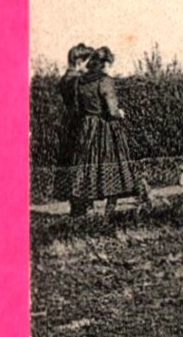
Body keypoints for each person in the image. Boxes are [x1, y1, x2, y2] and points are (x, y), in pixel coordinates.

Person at [59, 46, 142, 216]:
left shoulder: (80, 81)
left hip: (87, 128)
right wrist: (120, 113)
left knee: (88, 168)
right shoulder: (105, 81)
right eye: (109, 64)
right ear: (104, 63)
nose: (110, 68)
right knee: (113, 167)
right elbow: (111, 110)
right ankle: (108, 212)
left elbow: (77, 108)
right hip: (105, 128)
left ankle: (88, 211)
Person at [53, 43, 94, 212]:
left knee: (70, 161)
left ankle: (76, 205)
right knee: (81, 162)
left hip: (67, 123)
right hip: (78, 123)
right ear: (79, 61)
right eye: (87, 63)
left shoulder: (65, 79)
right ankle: (81, 206)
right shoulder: (77, 81)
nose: (89, 67)